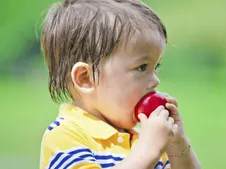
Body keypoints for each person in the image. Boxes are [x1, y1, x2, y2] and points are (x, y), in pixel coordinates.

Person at [39, 0, 202, 168]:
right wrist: (148, 150)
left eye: (156, 67)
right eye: (142, 67)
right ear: (85, 78)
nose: (155, 81)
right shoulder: (65, 136)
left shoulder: (144, 139)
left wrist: (178, 145)